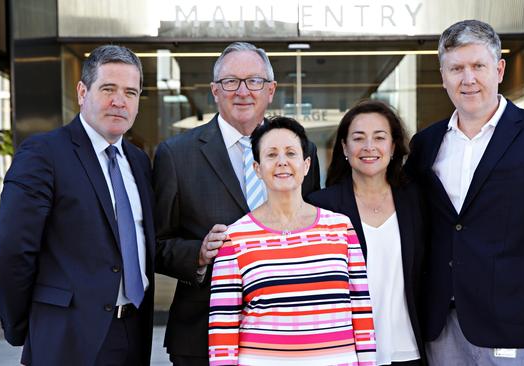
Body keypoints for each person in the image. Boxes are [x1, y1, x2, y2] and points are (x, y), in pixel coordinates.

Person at [404, 19, 524, 366]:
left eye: (477, 66)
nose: (467, 78)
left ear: (499, 70)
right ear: (443, 76)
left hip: (516, 328)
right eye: (456, 68)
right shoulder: (425, 144)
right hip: (441, 329)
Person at [153, 42, 320, 365]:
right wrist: (198, 254)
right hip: (202, 333)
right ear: (215, 91)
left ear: (270, 90)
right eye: (231, 82)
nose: (243, 91)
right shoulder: (176, 155)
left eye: (254, 81)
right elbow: (156, 245)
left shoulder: (299, 150)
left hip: (289, 331)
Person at [0, 45, 155, 365]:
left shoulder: (137, 161)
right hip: (66, 339)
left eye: (130, 92)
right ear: (82, 92)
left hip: (133, 334)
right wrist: (28, 326)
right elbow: (10, 253)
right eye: (108, 89)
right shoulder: (43, 153)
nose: (120, 101)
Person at [208, 116, 376, 365]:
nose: (282, 162)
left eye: (290, 153)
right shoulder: (234, 238)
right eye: (271, 154)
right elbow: (223, 328)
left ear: (306, 165)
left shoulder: (341, 228)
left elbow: (361, 310)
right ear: (257, 169)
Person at [307, 100, 426, 366]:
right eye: (358, 138)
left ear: (393, 147)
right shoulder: (321, 206)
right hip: (346, 350)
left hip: (408, 349)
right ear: (344, 148)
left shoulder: (416, 200)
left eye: (379, 138)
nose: (369, 147)